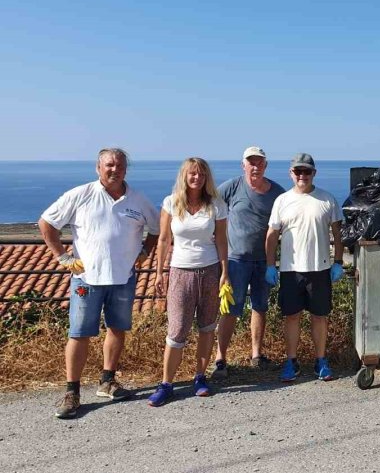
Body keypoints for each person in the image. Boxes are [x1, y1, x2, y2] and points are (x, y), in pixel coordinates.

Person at [39, 148, 160, 419]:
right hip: (86, 279)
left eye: (119, 165)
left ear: (126, 170)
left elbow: (156, 228)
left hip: (123, 279)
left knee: (117, 329)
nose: (114, 170)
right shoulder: (80, 195)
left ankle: (107, 381)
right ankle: (72, 392)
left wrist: (144, 253)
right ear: (98, 168)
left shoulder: (138, 199)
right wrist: (62, 257)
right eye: (109, 165)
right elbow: (46, 223)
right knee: (79, 334)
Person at [148, 158, 229, 406]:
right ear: (185, 176)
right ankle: (166, 384)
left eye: (202, 175)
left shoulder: (216, 205)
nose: (197, 178)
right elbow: (163, 240)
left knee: (207, 327)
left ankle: (200, 377)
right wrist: (159, 272)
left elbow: (222, 241)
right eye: (193, 174)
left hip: (210, 270)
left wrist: (225, 272)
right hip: (180, 272)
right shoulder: (171, 203)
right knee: (177, 330)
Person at [265, 153, 344, 382]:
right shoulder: (282, 200)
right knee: (292, 316)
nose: (302, 175)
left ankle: (321, 360)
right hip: (291, 269)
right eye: (298, 171)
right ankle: (291, 361)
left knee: (320, 316)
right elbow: (272, 234)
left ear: (314, 173)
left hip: (320, 269)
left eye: (306, 171)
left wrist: (337, 262)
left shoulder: (327, 200)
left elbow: (338, 235)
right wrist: (271, 265)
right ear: (291, 173)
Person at [212, 146, 286, 376]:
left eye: (259, 162)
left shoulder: (277, 192)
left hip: (265, 261)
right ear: (243, 165)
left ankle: (256, 354)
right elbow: (211, 208)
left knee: (260, 306)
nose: (255, 167)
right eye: (251, 162)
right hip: (236, 260)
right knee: (231, 309)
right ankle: (220, 358)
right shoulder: (232, 187)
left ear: (266, 165)